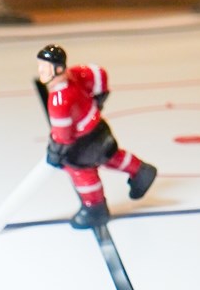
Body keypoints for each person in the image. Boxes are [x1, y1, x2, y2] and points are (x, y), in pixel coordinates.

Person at [36, 43, 156, 227]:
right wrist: (100, 97)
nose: (41, 71)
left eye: (46, 67)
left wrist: (55, 152)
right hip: (99, 129)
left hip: (82, 142)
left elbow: (63, 135)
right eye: (40, 66)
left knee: (81, 171)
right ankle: (141, 171)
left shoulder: (59, 100)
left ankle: (95, 208)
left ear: (58, 68)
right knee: (110, 155)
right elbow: (98, 73)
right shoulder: (75, 73)